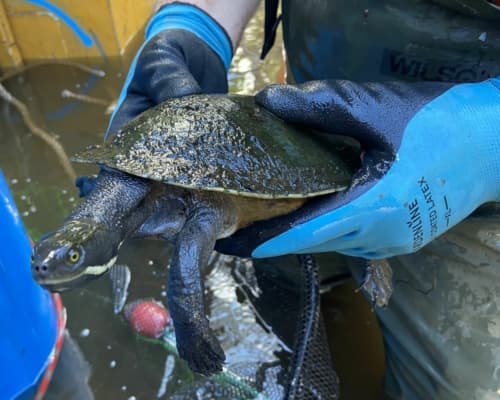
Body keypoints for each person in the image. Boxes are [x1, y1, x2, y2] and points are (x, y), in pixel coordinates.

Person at [107, 1, 500, 399]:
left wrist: (488, 138)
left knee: (449, 387)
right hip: (302, 119)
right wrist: (198, 18)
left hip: (470, 175)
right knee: (287, 305)